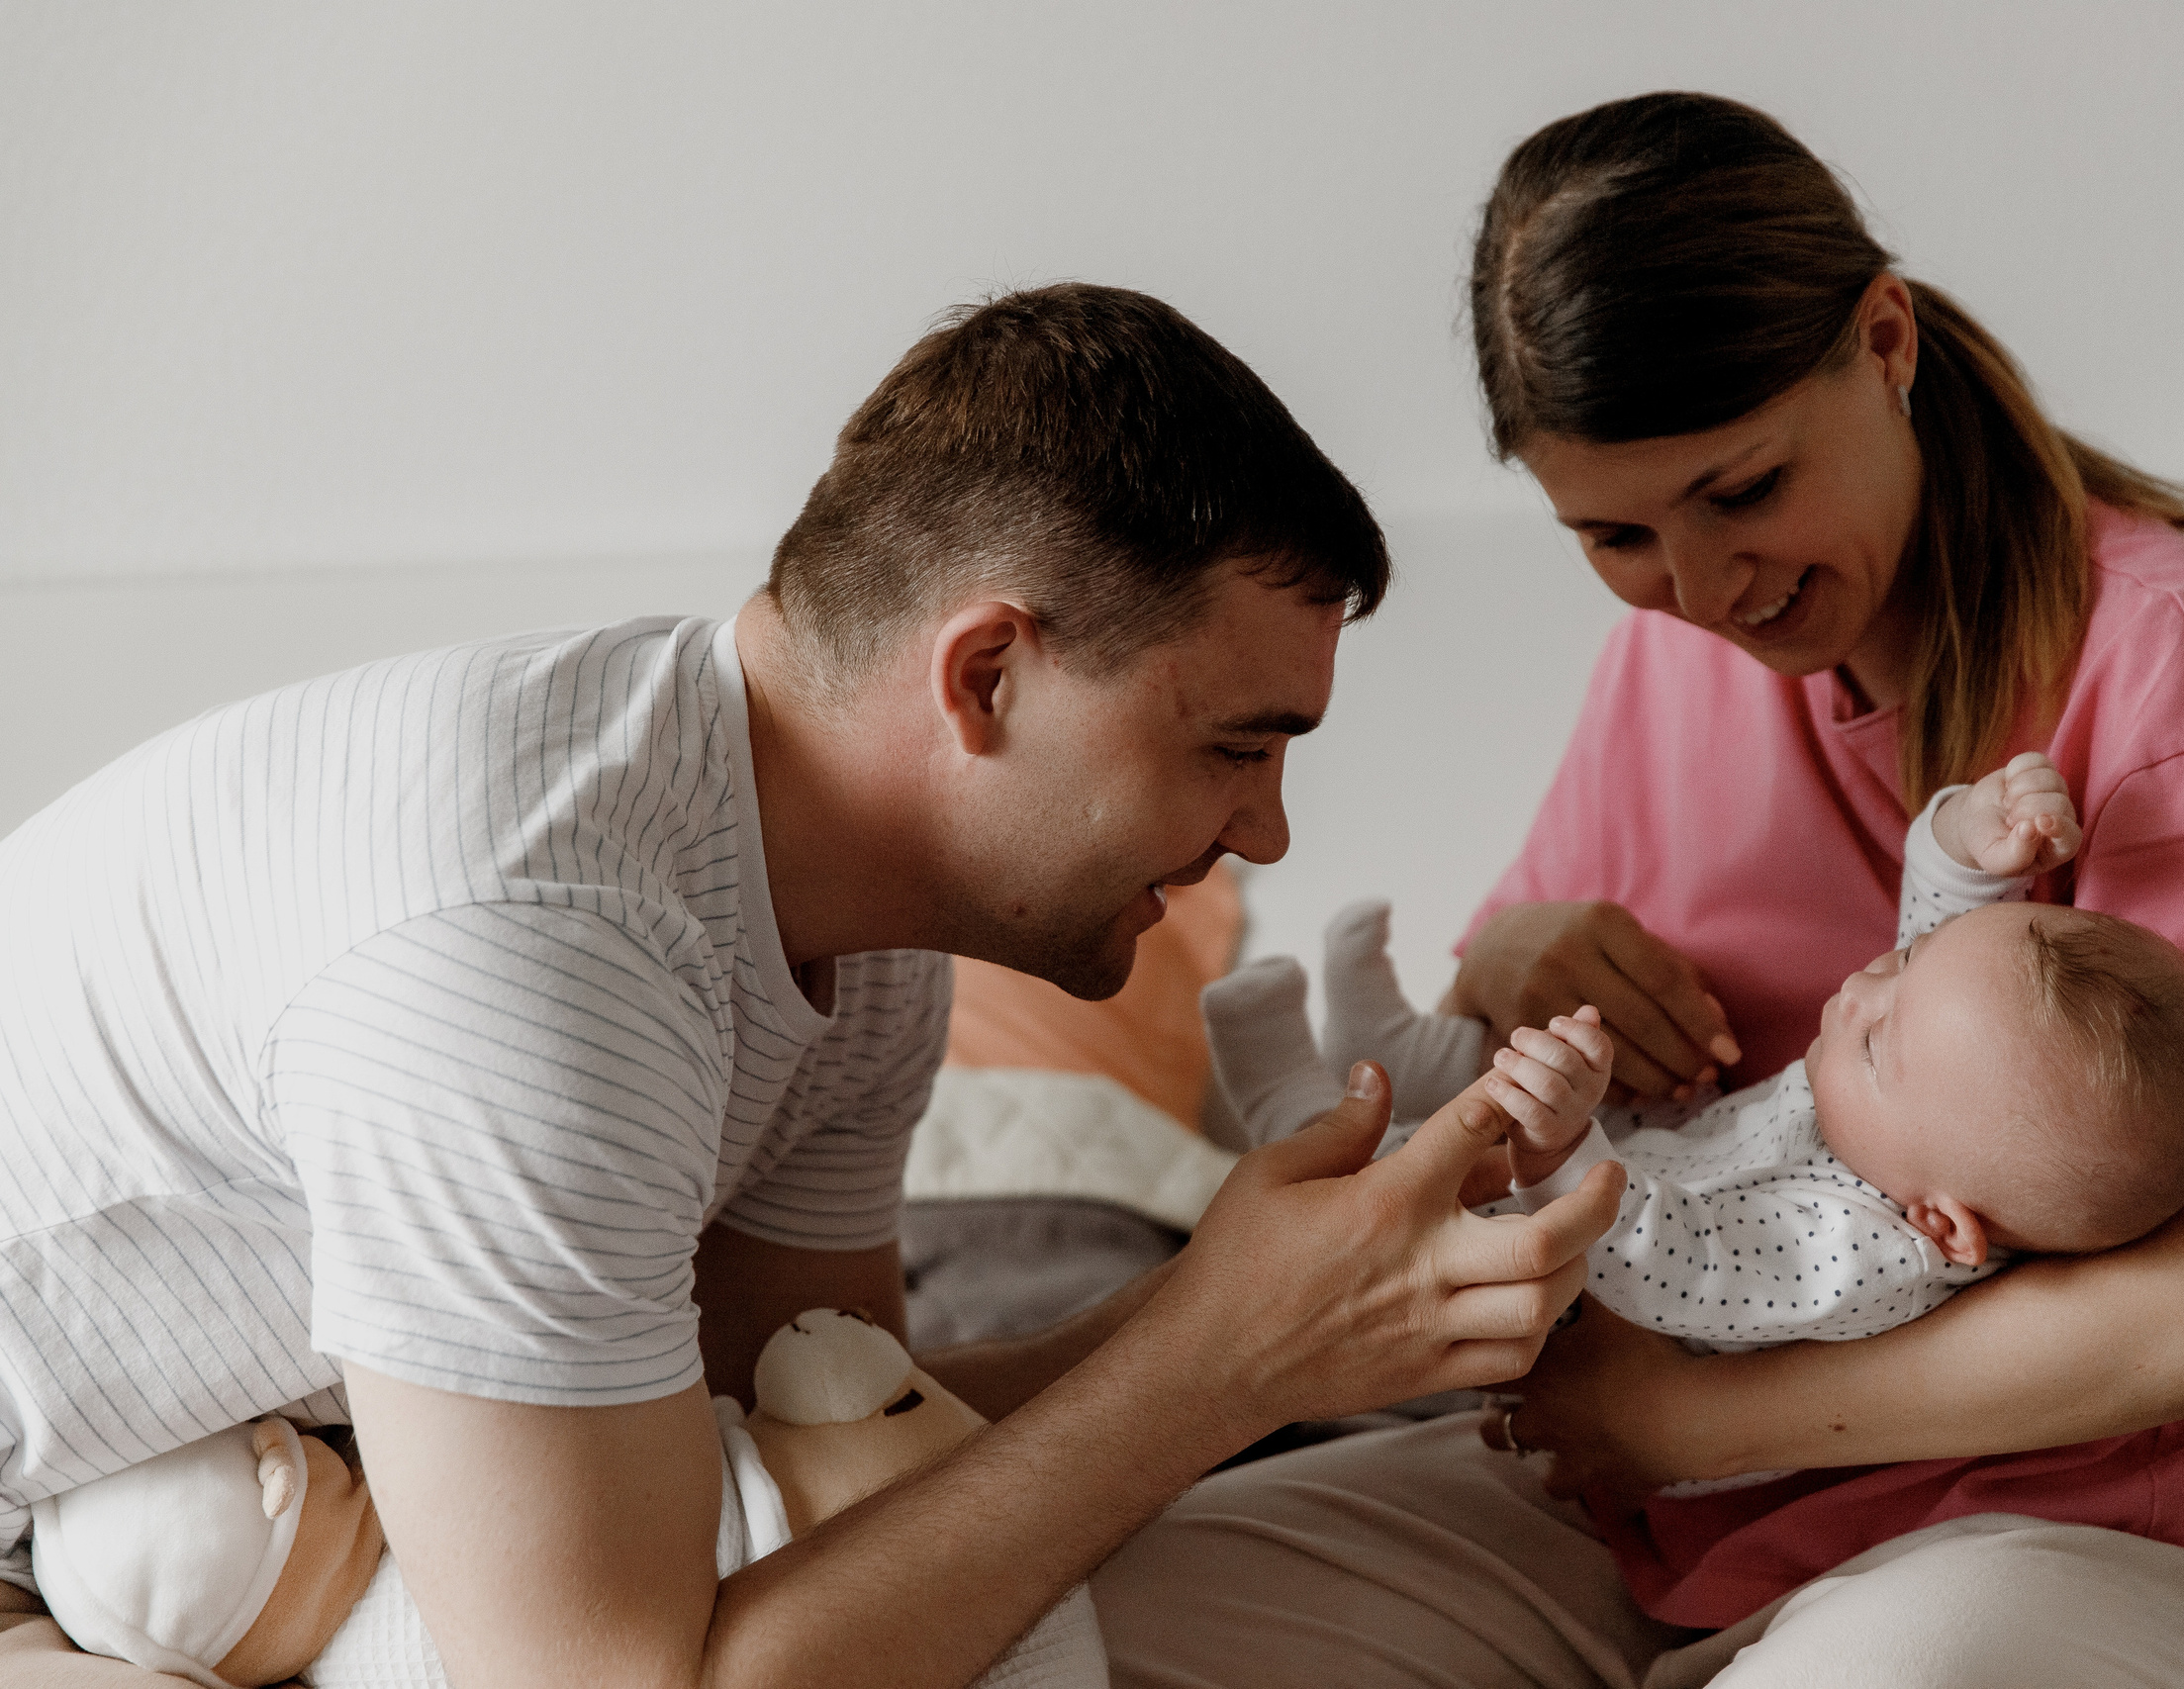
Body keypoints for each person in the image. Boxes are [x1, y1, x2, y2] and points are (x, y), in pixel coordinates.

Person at [0, 284, 1626, 1689]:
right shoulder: (536, 947)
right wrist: (1225, 1358)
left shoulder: (848, 918)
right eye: (1232, 747)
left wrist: (1237, 1299)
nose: (1266, 831)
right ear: (987, 674)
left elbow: (816, 1443)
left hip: (197, 1514)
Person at [1092, 94, 2184, 1687]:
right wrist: (1510, 956)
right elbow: (1483, 1106)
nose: (1706, 590)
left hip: (2042, 1539)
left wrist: (1685, 1415)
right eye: (1617, 533)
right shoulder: (1671, 665)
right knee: (1074, 1614)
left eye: (1744, 489)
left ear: (1885, 341)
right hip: (1641, 1525)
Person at [1204, 751, 2184, 1497]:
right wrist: (1975, 842)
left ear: (1941, 1224)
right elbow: (1943, 940)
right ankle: (1389, 1044)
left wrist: (1564, 1148)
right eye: (1902, 966)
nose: (1860, 986)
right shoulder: (1935, 1114)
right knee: (1556, 1066)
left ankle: (1301, 1118)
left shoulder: (1862, 1255)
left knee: (1441, 1196)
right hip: (1661, 1154)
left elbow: (1674, 1264)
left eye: (1877, 1038)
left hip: (1585, 1296)